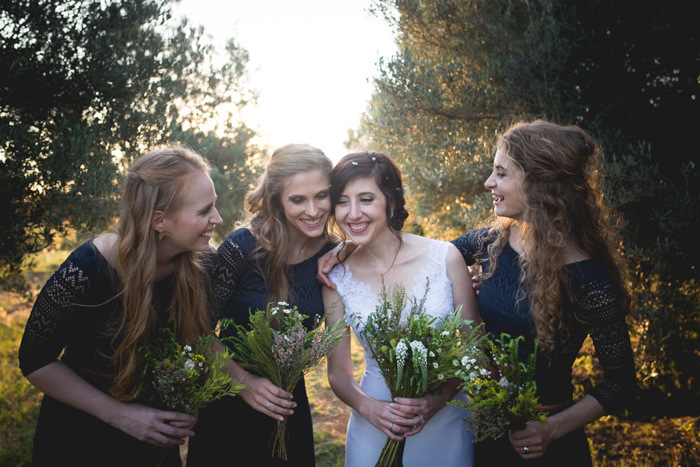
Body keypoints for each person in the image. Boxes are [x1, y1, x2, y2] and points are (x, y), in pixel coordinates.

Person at [18, 146, 223, 466]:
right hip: (79, 437)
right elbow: (35, 360)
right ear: (160, 221)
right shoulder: (88, 270)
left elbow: (202, 340)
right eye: (204, 210)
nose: (217, 218)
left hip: (154, 443)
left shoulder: (203, 267)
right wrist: (120, 415)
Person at [451, 119, 637, 465]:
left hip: (546, 446)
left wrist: (551, 429)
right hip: (481, 435)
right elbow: (427, 263)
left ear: (539, 183)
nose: (489, 182)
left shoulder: (590, 280)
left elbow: (621, 381)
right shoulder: (491, 242)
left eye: (501, 173)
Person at [322, 152, 480, 467]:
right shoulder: (335, 277)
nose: (353, 213)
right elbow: (338, 372)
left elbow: (474, 347)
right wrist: (371, 410)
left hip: (445, 424)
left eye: (366, 199)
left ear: (390, 203)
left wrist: (438, 400)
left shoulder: (445, 258)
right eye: (343, 202)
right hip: (372, 428)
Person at [186, 144, 335, 466]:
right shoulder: (243, 247)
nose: (313, 210)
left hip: (287, 401)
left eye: (321, 196)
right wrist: (245, 383)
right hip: (227, 398)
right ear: (278, 200)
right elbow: (196, 329)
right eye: (298, 199)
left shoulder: (336, 254)